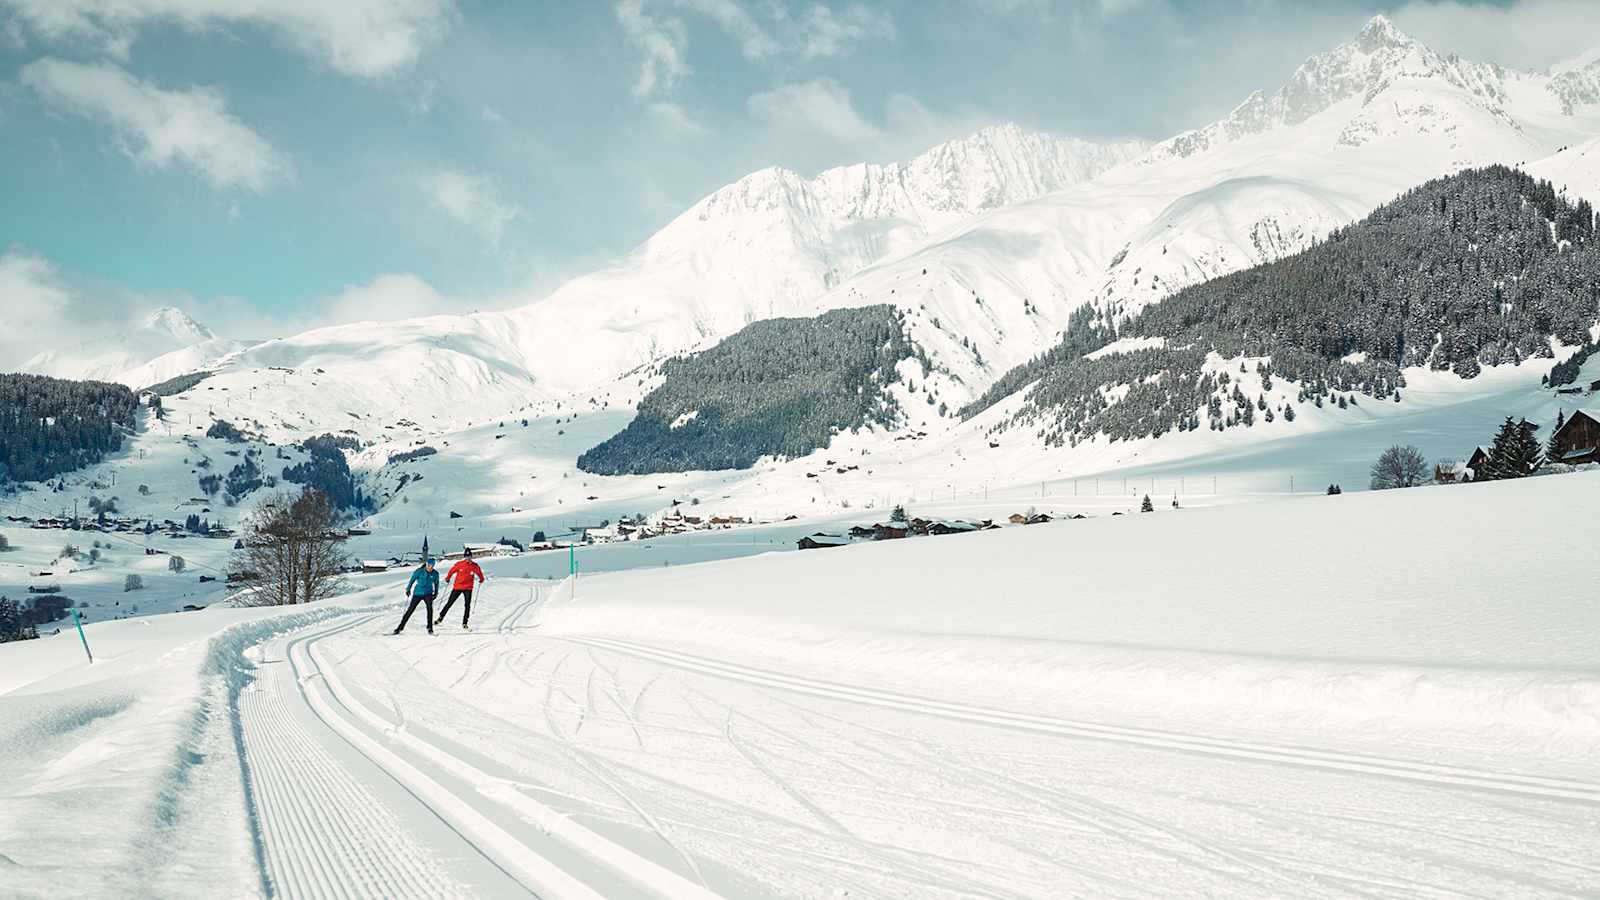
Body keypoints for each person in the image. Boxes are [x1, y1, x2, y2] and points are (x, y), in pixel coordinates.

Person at [436, 548, 486, 630]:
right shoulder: (460, 564)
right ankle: (440, 617)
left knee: (467, 605)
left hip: (468, 588)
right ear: (464, 557)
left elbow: (479, 573)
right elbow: (452, 571)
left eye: (469, 556)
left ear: (471, 557)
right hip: (457, 587)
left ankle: (465, 622)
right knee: (449, 603)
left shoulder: (475, 566)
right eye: (466, 557)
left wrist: (481, 579)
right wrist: (448, 578)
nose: (468, 558)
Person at [394, 557, 439, 635]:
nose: (430, 568)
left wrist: (436, 593)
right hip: (418, 593)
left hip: (428, 593)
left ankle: (430, 628)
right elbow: (412, 580)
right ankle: (400, 627)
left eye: (432, 566)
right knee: (410, 610)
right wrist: (408, 589)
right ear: (426, 564)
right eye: (429, 566)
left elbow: (436, 583)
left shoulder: (435, 573)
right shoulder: (419, 571)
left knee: (430, 610)